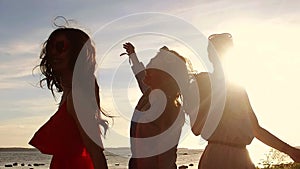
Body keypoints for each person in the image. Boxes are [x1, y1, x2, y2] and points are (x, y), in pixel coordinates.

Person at [192, 33, 300, 169]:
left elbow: (256, 130)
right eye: (217, 51)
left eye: (224, 50)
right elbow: (196, 129)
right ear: (210, 56)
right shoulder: (201, 84)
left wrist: (290, 150)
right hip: (216, 157)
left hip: (241, 157)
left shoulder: (238, 89)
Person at [29, 27, 108, 169]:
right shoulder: (69, 92)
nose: (53, 52)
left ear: (76, 52)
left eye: (60, 47)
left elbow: (95, 152)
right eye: (50, 48)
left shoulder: (77, 97)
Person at [122, 42, 191, 169]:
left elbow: (164, 157)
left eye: (153, 64)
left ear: (165, 76)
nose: (147, 67)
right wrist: (132, 55)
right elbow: (140, 75)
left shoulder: (167, 106)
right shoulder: (151, 95)